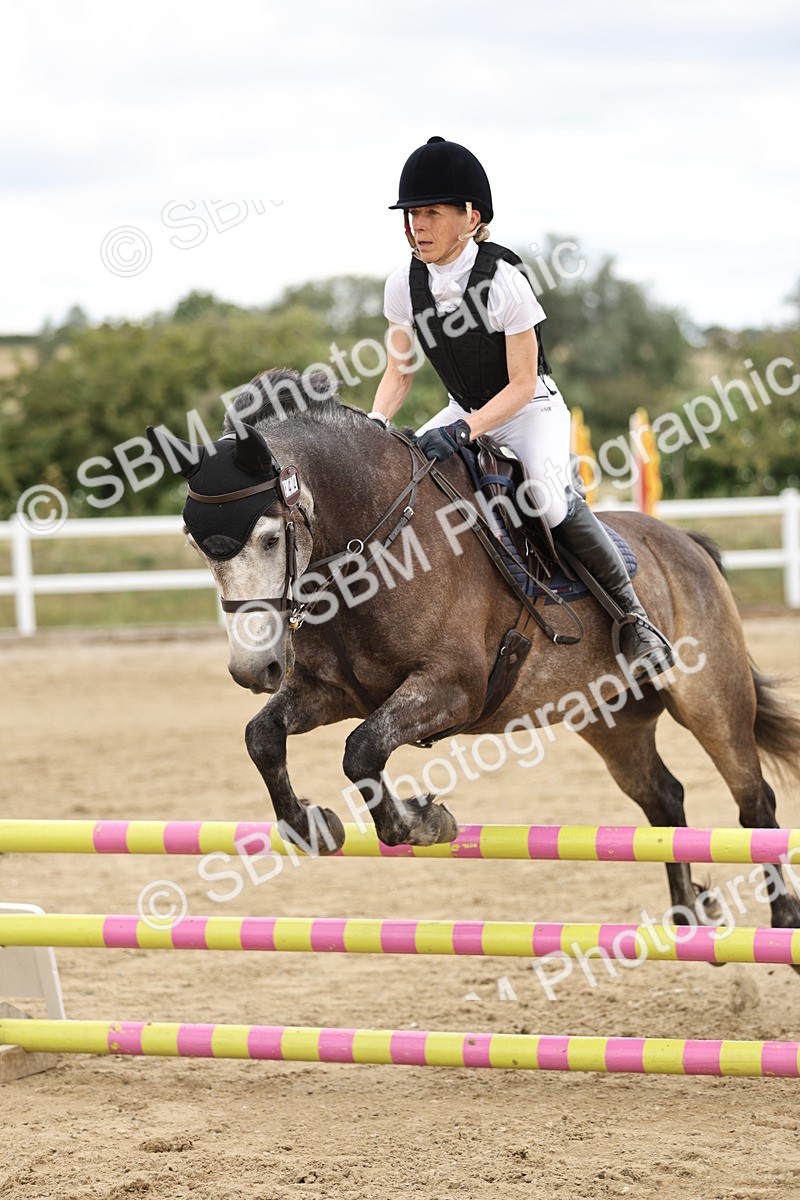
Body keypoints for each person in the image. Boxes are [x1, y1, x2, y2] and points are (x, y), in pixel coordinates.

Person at [369, 135, 673, 679]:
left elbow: (521, 384)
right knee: (402, 477)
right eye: (411, 214)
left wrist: (464, 430)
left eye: (431, 213)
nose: (416, 225)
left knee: (549, 504)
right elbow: (400, 370)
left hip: (530, 410)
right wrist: (377, 424)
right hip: (465, 408)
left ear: (471, 216)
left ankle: (636, 619)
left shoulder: (504, 280)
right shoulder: (402, 285)